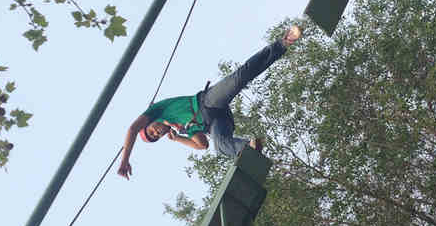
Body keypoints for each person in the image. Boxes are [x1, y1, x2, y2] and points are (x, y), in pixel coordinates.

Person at [117, 25, 302, 179]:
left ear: (150, 122)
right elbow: (202, 145)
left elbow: (132, 129)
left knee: (240, 77)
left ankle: (283, 42)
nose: (156, 133)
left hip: (207, 102)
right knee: (220, 147)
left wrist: (124, 160)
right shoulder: (181, 128)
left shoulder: (159, 110)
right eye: (156, 137)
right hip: (217, 122)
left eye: (151, 131)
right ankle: (249, 148)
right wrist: (179, 138)